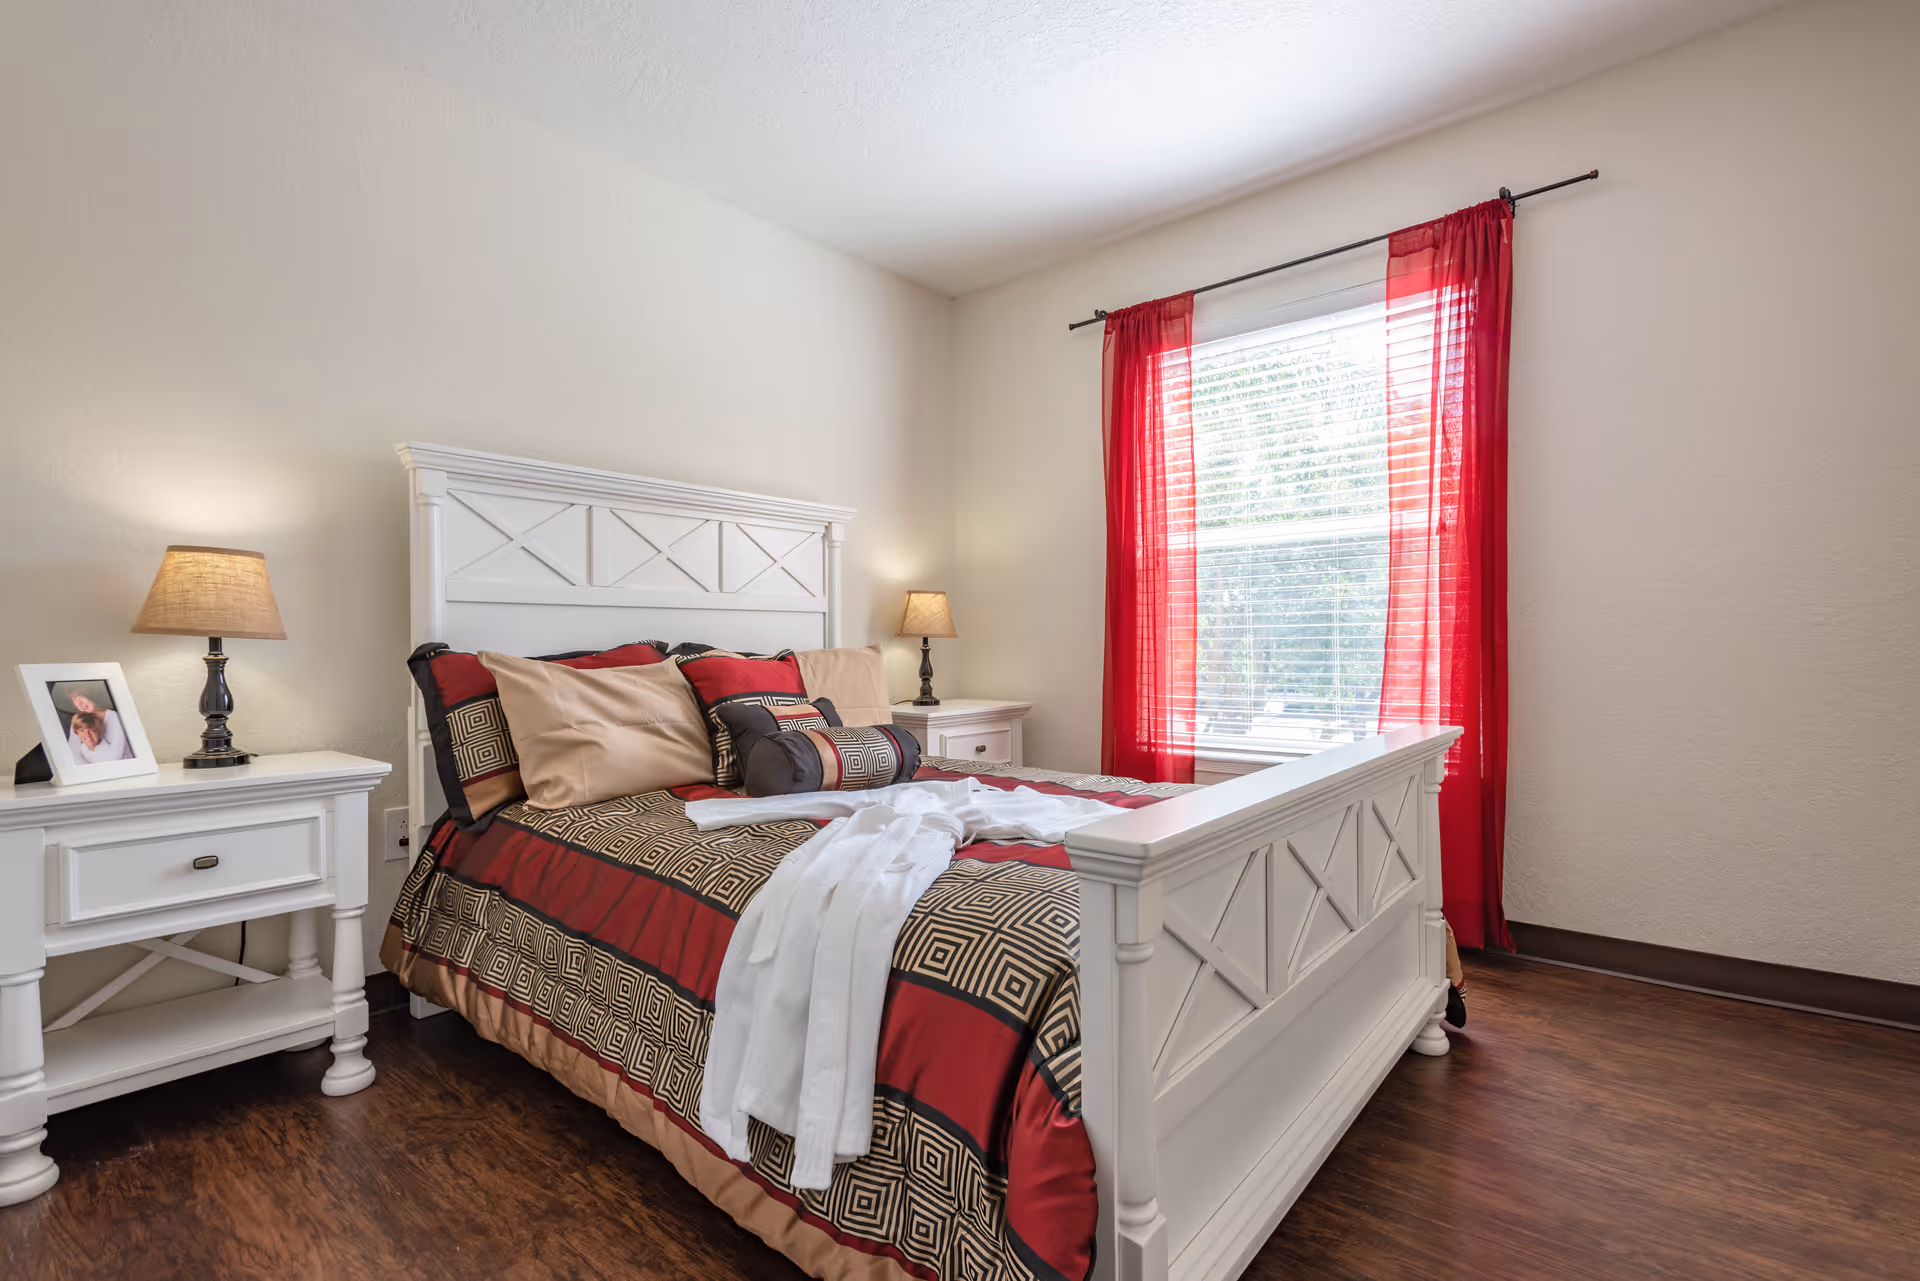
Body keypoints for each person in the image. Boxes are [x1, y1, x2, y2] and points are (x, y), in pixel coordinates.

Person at [65, 691, 132, 763]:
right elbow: (73, 751)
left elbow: (116, 754)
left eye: (81, 696)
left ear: (92, 696)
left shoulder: (112, 716)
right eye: (74, 699)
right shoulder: (77, 720)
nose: (79, 703)